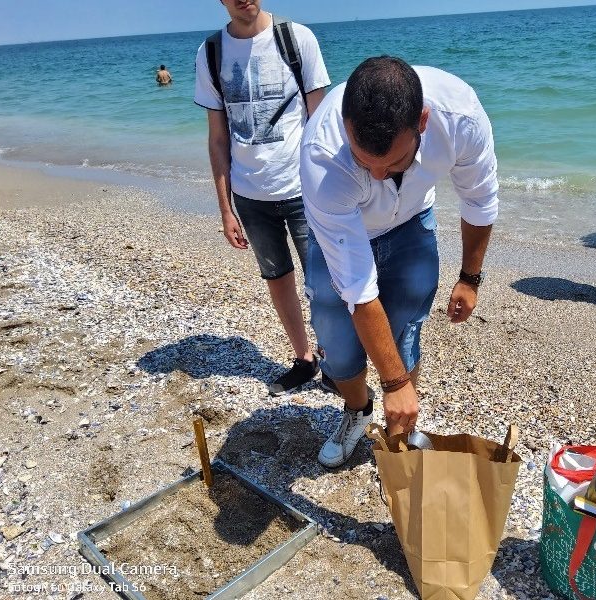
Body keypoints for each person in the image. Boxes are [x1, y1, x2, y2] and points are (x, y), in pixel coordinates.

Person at [300, 57, 499, 467]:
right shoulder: (322, 154)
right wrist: (392, 383)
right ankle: (357, 411)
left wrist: (470, 278)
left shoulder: (460, 116)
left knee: (406, 328)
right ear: (345, 122)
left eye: (391, 163)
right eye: (363, 161)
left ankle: (398, 436)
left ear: (422, 122)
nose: (376, 176)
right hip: (339, 231)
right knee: (336, 347)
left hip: (412, 222)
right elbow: (357, 287)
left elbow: (479, 200)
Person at [194, 0, 331, 393]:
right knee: (277, 277)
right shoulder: (211, 52)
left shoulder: (296, 38)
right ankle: (303, 359)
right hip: (250, 196)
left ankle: (335, 363)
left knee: (324, 281)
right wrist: (225, 209)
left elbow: (322, 125)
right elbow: (218, 139)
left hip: (305, 190)